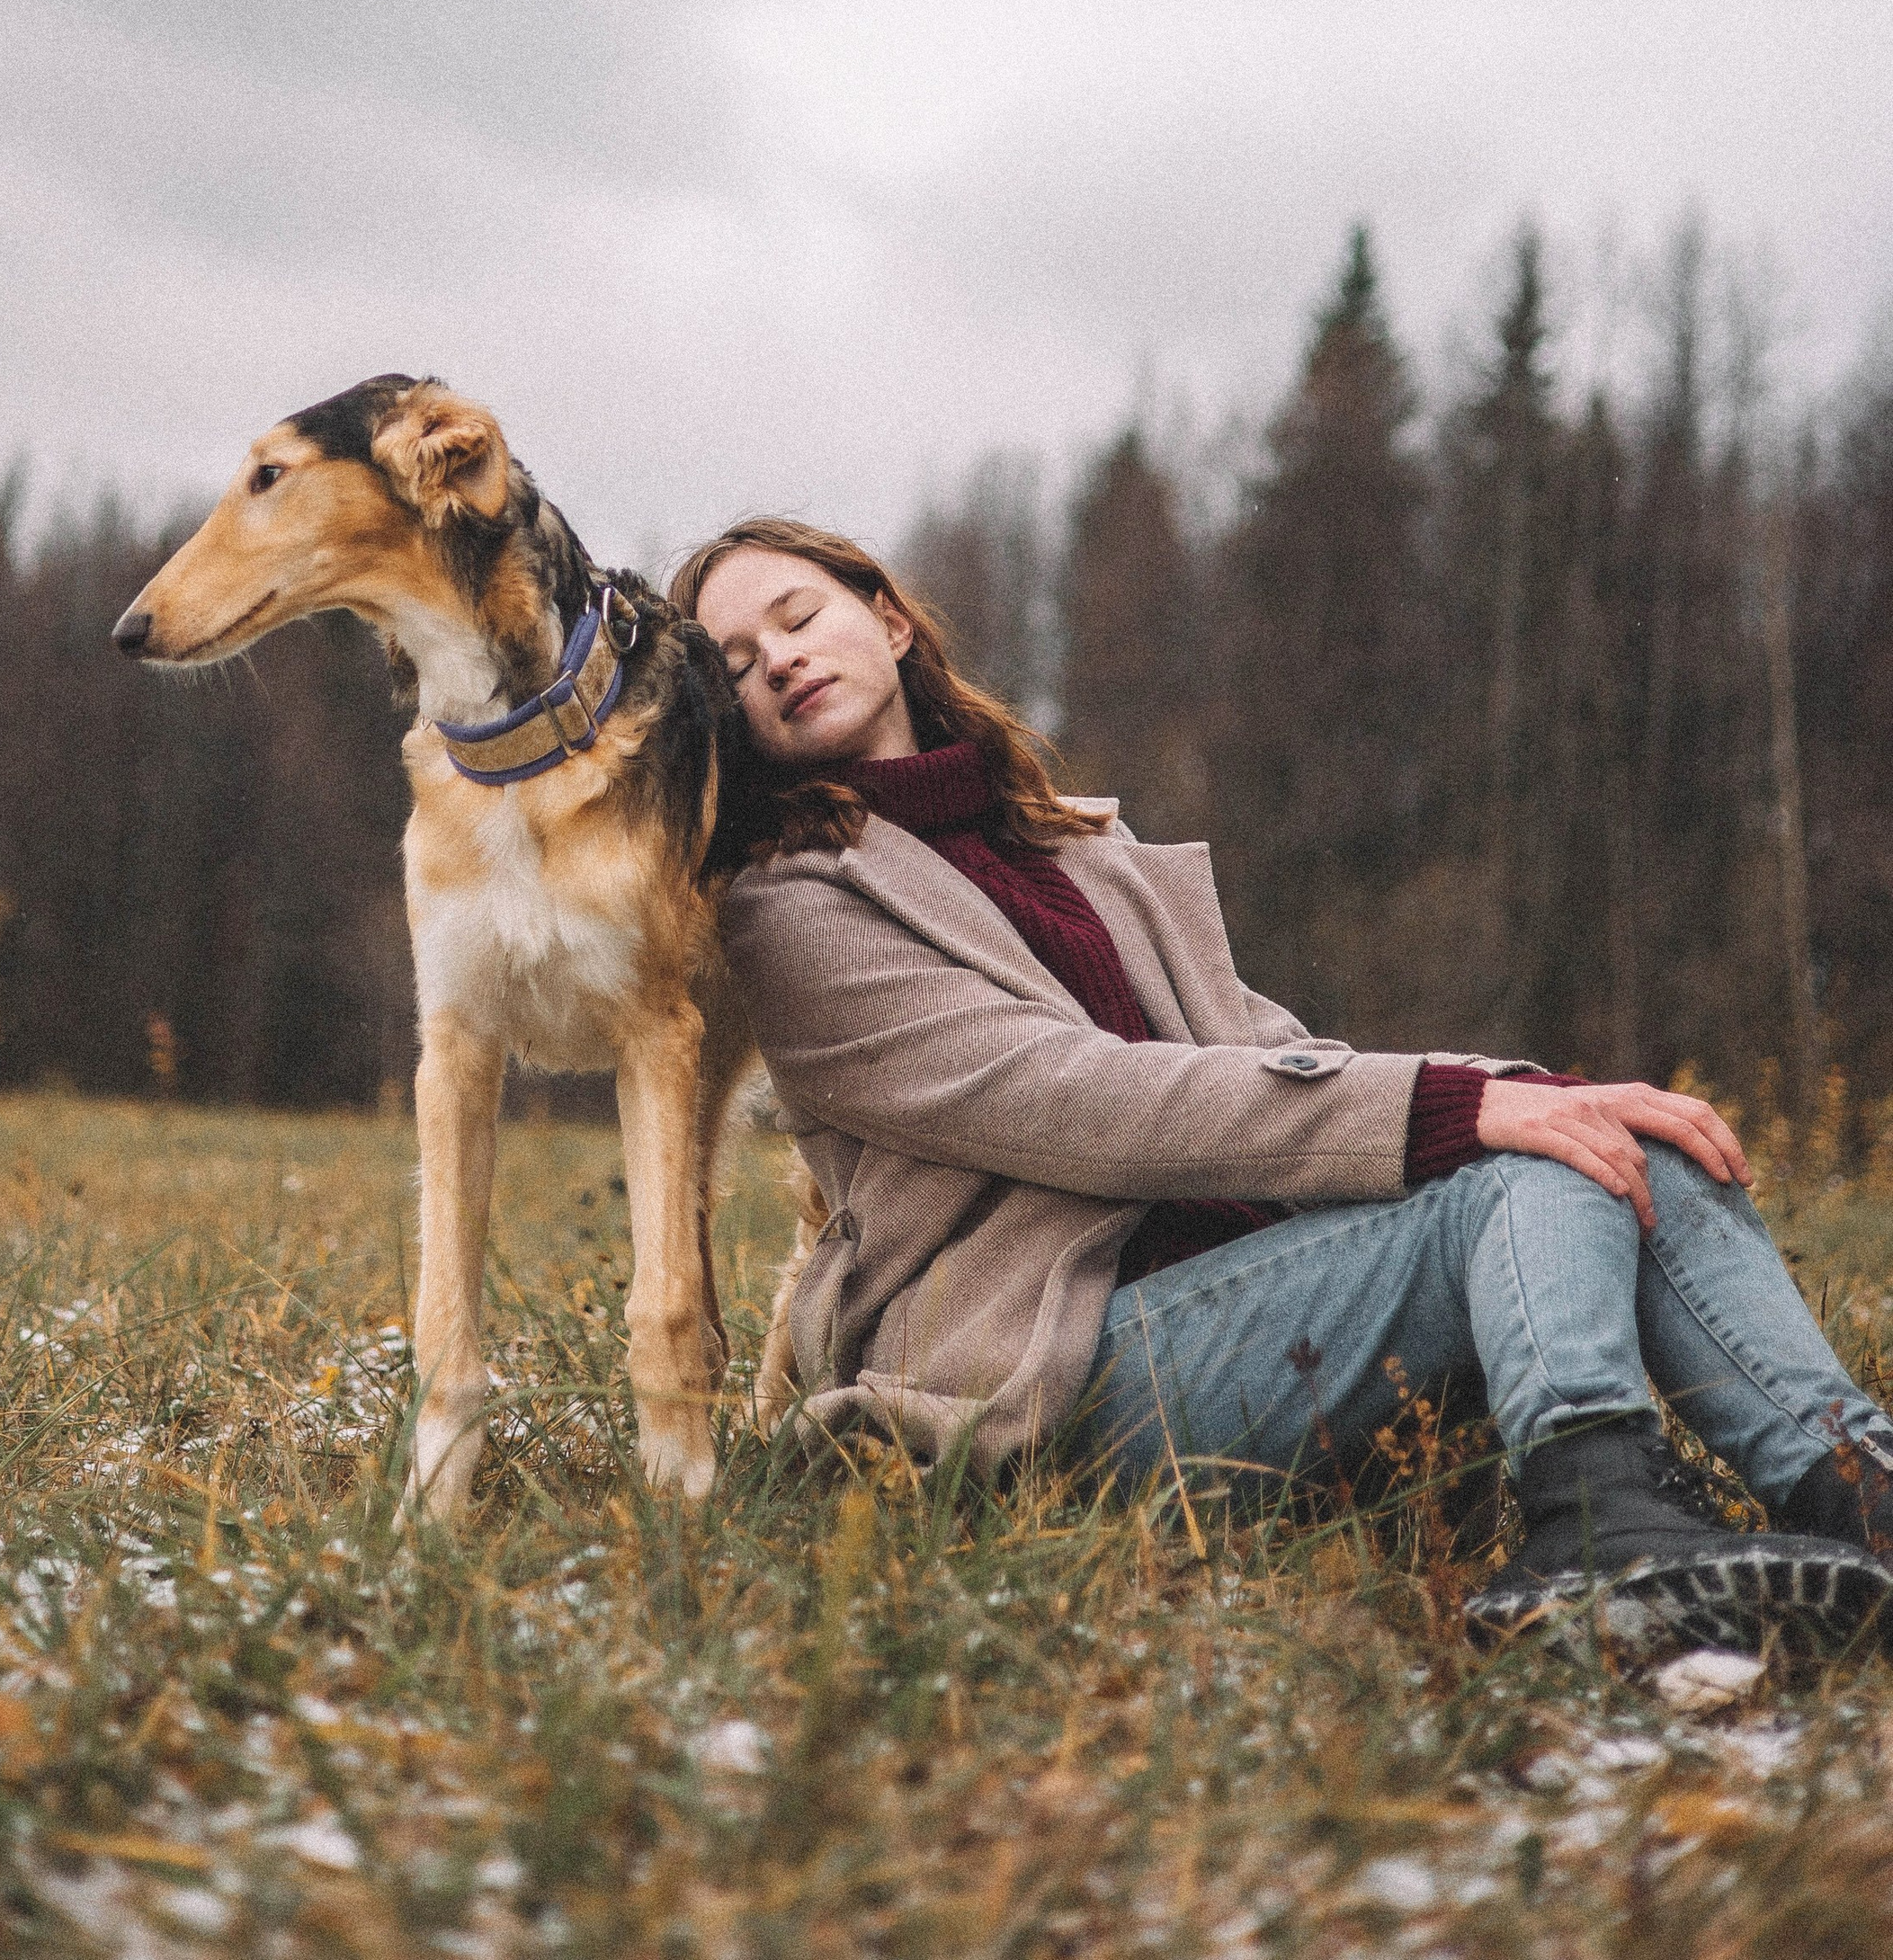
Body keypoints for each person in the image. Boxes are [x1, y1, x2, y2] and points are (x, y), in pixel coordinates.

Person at [677, 517, 1893, 1650]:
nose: (776, 660)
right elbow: (1081, 1101)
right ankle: (1600, 1530)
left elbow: (1260, 1045)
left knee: (1624, 1144)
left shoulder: (1065, 846)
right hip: (1050, 1372)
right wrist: (1469, 1118)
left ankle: (1857, 1493)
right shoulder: (791, 908)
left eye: (797, 615)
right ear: (727, 721)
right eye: (733, 663)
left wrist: (1522, 1086)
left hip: (1247, 1309)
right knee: (1525, 1173)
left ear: (889, 621)